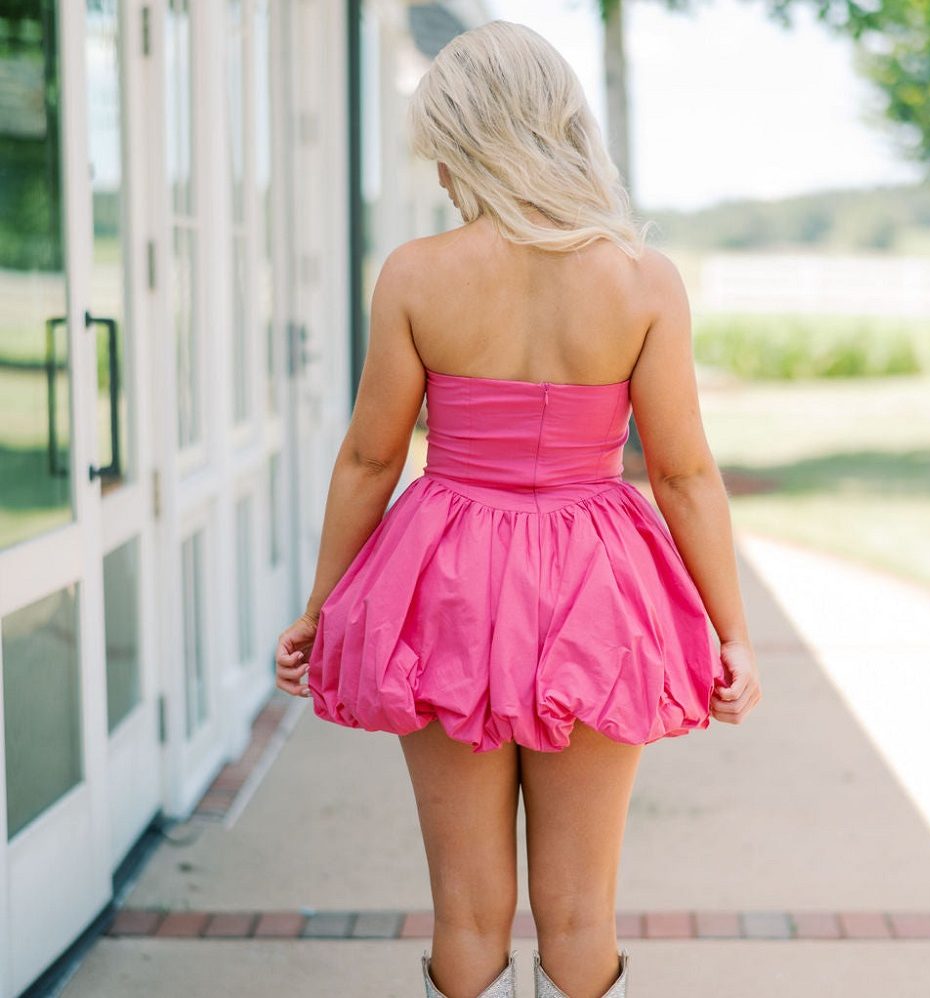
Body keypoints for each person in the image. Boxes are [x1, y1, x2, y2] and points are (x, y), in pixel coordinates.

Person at [274, 18, 761, 998]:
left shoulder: (416, 273)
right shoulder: (640, 279)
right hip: (594, 587)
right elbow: (682, 474)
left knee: (464, 909)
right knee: (581, 910)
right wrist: (730, 629)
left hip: (445, 578)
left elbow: (372, 454)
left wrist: (323, 602)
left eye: (444, 150)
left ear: (476, 139)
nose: (442, 176)